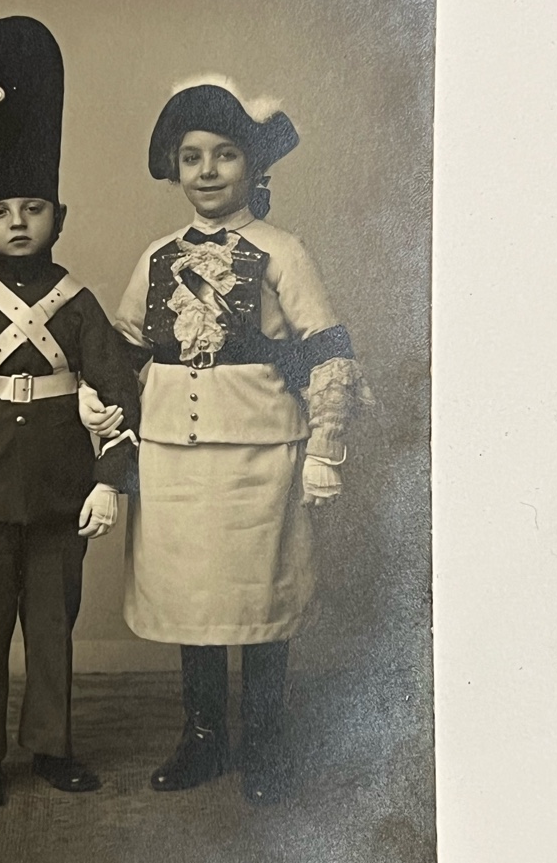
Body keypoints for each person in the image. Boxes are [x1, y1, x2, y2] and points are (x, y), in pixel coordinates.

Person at [81, 76, 371, 805]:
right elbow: (121, 346)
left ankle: (266, 747)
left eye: (224, 155)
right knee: (195, 601)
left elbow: (327, 349)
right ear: (175, 169)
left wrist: (326, 450)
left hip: (259, 453)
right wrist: (99, 390)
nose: (207, 172)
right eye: (191, 157)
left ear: (253, 167)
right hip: (173, 454)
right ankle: (203, 739)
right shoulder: (156, 256)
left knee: (259, 598)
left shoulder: (283, 250)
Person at [0, 16, 140, 809]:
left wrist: (108, 481)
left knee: (51, 630)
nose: (18, 221)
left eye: (34, 207)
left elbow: (119, 396)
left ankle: (53, 746)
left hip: (58, 497)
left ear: (60, 217)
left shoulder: (79, 304)